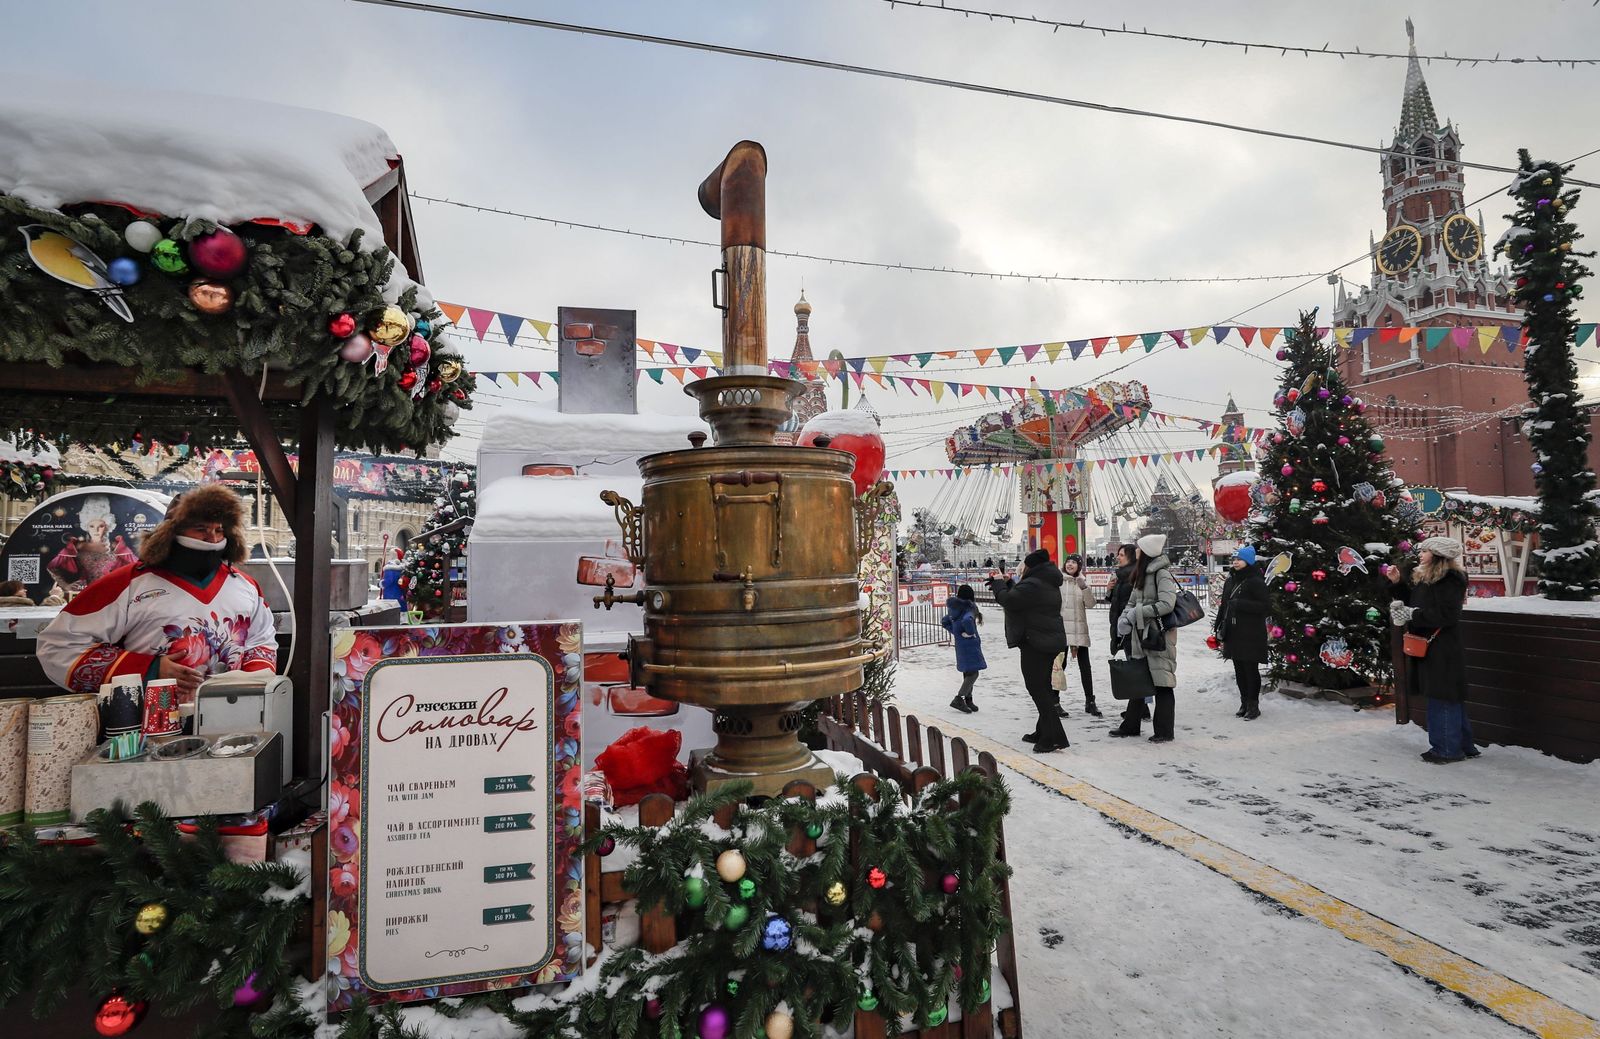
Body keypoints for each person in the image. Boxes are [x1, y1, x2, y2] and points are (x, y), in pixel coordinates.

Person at [37, 485, 278, 699]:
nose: (212, 538)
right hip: (147, 722)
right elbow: (59, 646)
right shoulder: (129, 583)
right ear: (172, 532)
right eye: (200, 528)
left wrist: (252, 682)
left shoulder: (245, 586)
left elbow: (261, 641)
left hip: (231, 717)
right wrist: (149, 668)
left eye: (219, 530)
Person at [1387, 536, 1475, 763]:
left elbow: (1447, 615)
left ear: (1437, 555)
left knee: (1441, 696)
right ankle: (1463, 745)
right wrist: (1398, 585)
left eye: (1425, 551)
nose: (1420, 554)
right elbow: (1416, 603)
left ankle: (1446, 750)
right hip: (1432, 645)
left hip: (1442, 647)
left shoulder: (1450, 579)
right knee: (1448, 696)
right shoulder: (1427, 577)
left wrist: (1412, 615)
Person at [987, 549, 1070, 752]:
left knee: (1037, 688)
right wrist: (1007, 584)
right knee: (1043, 688)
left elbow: (1010, 601)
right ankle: (1042, 731)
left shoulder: (1033, 583)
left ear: (1031, 566)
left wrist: (998, 584)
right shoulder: (1045, 581)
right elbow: (1020, 597)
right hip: (1047, 640)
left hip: (1037, 642)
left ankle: (1053, 738)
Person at [1110, 534, 1179, 742]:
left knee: (1162, 683)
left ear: (1147, 552)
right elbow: (1132, 601)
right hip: (1140, 635)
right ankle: (1131, 725)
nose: (1136, 551)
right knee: (1138, 678)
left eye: (1139, 549)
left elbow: (1167, 604)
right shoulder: (1141, 575)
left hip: (1159, 636)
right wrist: (1125, 617)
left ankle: (1164, 731)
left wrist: (1136, 613)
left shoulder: (1161, 574)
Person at [1215, 545, 1270, 719]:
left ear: (1249, 561)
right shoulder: (1231, 580)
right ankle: (1244, 702)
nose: (1236, 562)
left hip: (1251, 633)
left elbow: (1266, 607)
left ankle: (1253, 705)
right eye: (1234, 559)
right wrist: (1218, 625)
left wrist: (1241, 604)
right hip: (1233, 631)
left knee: (1250, 669)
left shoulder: (1255, 581)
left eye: (1239, 560)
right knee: (1239, 669)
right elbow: (1224, 604)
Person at [1106, 543, 1149, 725]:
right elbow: (1116, 601)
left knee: (1135, 667)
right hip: (1122, 626)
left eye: (1122, 554)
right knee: (1134, 666)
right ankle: (1141, 708)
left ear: (1131, 557)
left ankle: (1140, 709)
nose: (1118, 557)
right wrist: (1109, 590)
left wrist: (1127, 622)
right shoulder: (1121, 576)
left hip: (1131, 628)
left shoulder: (1134, 575)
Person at [1058, 554, 1100, 716]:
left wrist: (1084, 588)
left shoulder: (1082, 582)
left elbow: (1090, 604)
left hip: (1079, 629)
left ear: (1079, 566)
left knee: (1085, 667)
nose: (1070, 564)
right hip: (1062, 629)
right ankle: (1055, 701)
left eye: (1074, 562)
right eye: (1068, 561)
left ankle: (1090, 701)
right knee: (1059, 666)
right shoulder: (1059, 582)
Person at [940, 585, 987, 713]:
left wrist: (956, 632)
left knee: (967, 672)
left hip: (961, 645)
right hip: (970, 645)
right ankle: (959, 698)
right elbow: (967, 620)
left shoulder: (954, 609)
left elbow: (945, 621)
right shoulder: (969, 608)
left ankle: (968, 699)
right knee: (974, 673)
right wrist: (969, 633)